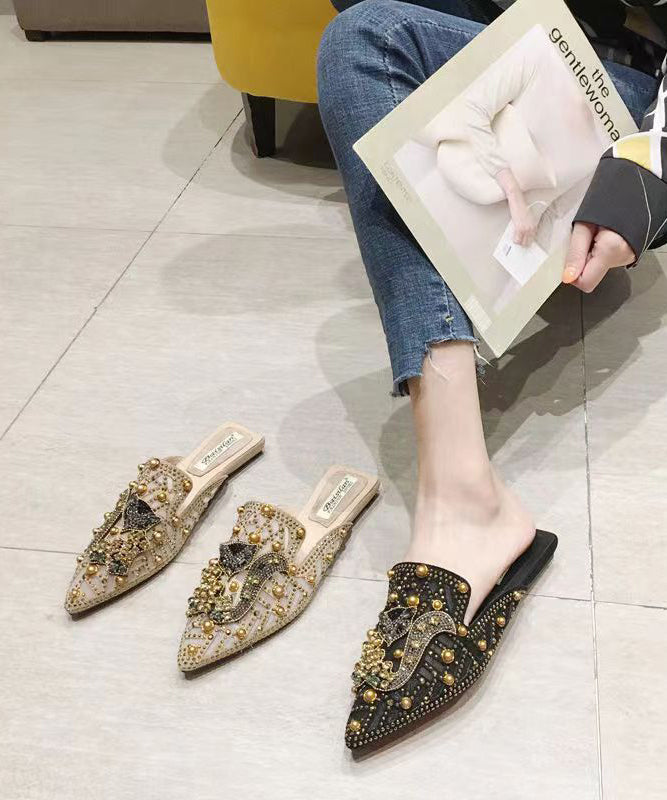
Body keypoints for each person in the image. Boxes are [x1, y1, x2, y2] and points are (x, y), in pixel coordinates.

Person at [317, 0, 667, 746]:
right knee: (363, 40)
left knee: (369, 40)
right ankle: (462, 492)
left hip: (631, 83)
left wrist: (648, 171)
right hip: (517, 48)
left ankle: (463, 506)